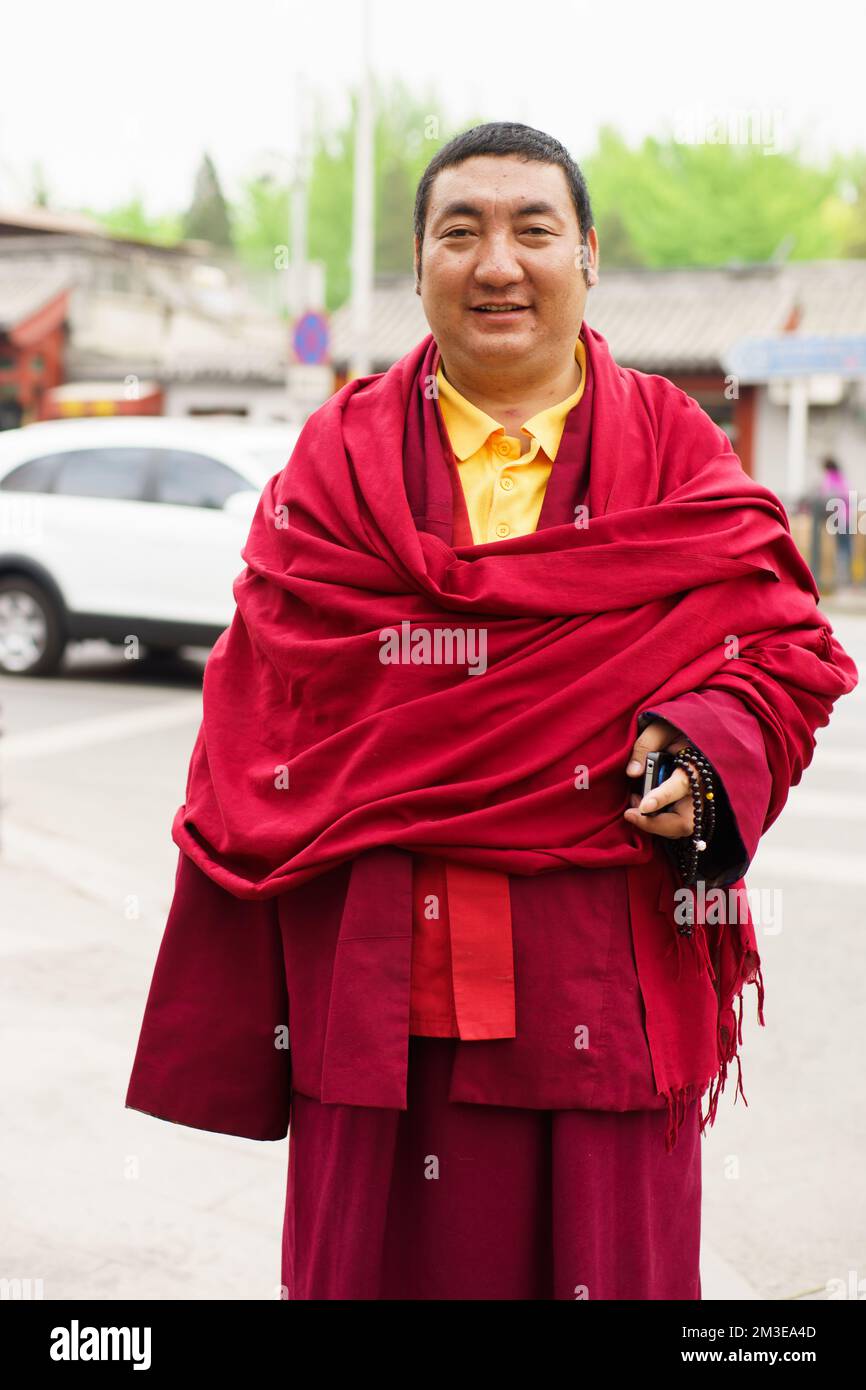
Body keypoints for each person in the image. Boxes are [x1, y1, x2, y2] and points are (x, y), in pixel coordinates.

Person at [126, 122, 858, 1301]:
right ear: (417, 267)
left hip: (597, 965)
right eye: (458, 232)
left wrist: (706, 753)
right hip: (376, 970)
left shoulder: (673, 450)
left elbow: (778, 647)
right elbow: (264, 695)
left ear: (588, 256)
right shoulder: (338, 457)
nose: (496, 263)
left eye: (533, 229)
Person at [820, 455, 854, 588]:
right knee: (847, 547)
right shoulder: (842, 478)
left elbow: (825, 496)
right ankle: (847, 577)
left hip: (837, 518)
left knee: (840, 547)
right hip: (847, 517)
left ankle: (841, 577)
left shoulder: (829, 479)